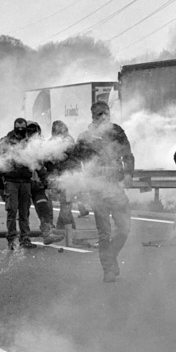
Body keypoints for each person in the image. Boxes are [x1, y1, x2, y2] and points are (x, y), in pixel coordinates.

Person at [75, 102, 135, 282]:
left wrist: (128, 174)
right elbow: (77, 162)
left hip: (115, 187)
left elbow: (127, 154)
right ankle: (108, 269)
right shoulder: (85, 137)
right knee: (104, 232)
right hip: (97, 189)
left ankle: (111, 256)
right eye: (99, 114)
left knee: (124, 228)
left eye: (106, 113)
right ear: (93, 116)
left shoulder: (117, 131)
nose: (103, 117)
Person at [0, 117, 36, 250]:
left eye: (22, 127)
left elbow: (37, 158)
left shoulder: (30, 141)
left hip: (24, 180)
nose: (20, 130)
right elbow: (0, 160)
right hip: (11, 180)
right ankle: (12, 239)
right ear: (14, 127)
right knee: (12, 211)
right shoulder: (6, 141)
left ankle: (25, 238)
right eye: (18, 127)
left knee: (24, 212)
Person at [26, 121, 65, 245]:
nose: (33, 134)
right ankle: (24, 237)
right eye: (30, 131)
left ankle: (47, 232)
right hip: (24, 184)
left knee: (44, 208)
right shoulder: (20, 144)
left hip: (38, 183)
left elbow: (47, 162)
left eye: (35, 131)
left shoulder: (41, 144)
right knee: (23, 213)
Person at [49, 120, 78, 230]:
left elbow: (66, 156)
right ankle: (64, 229)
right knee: (64, 204)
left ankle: (67, 230)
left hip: (68, 176)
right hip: (60, 176)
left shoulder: (68, 140)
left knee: (65, 203)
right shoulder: (54, 140)